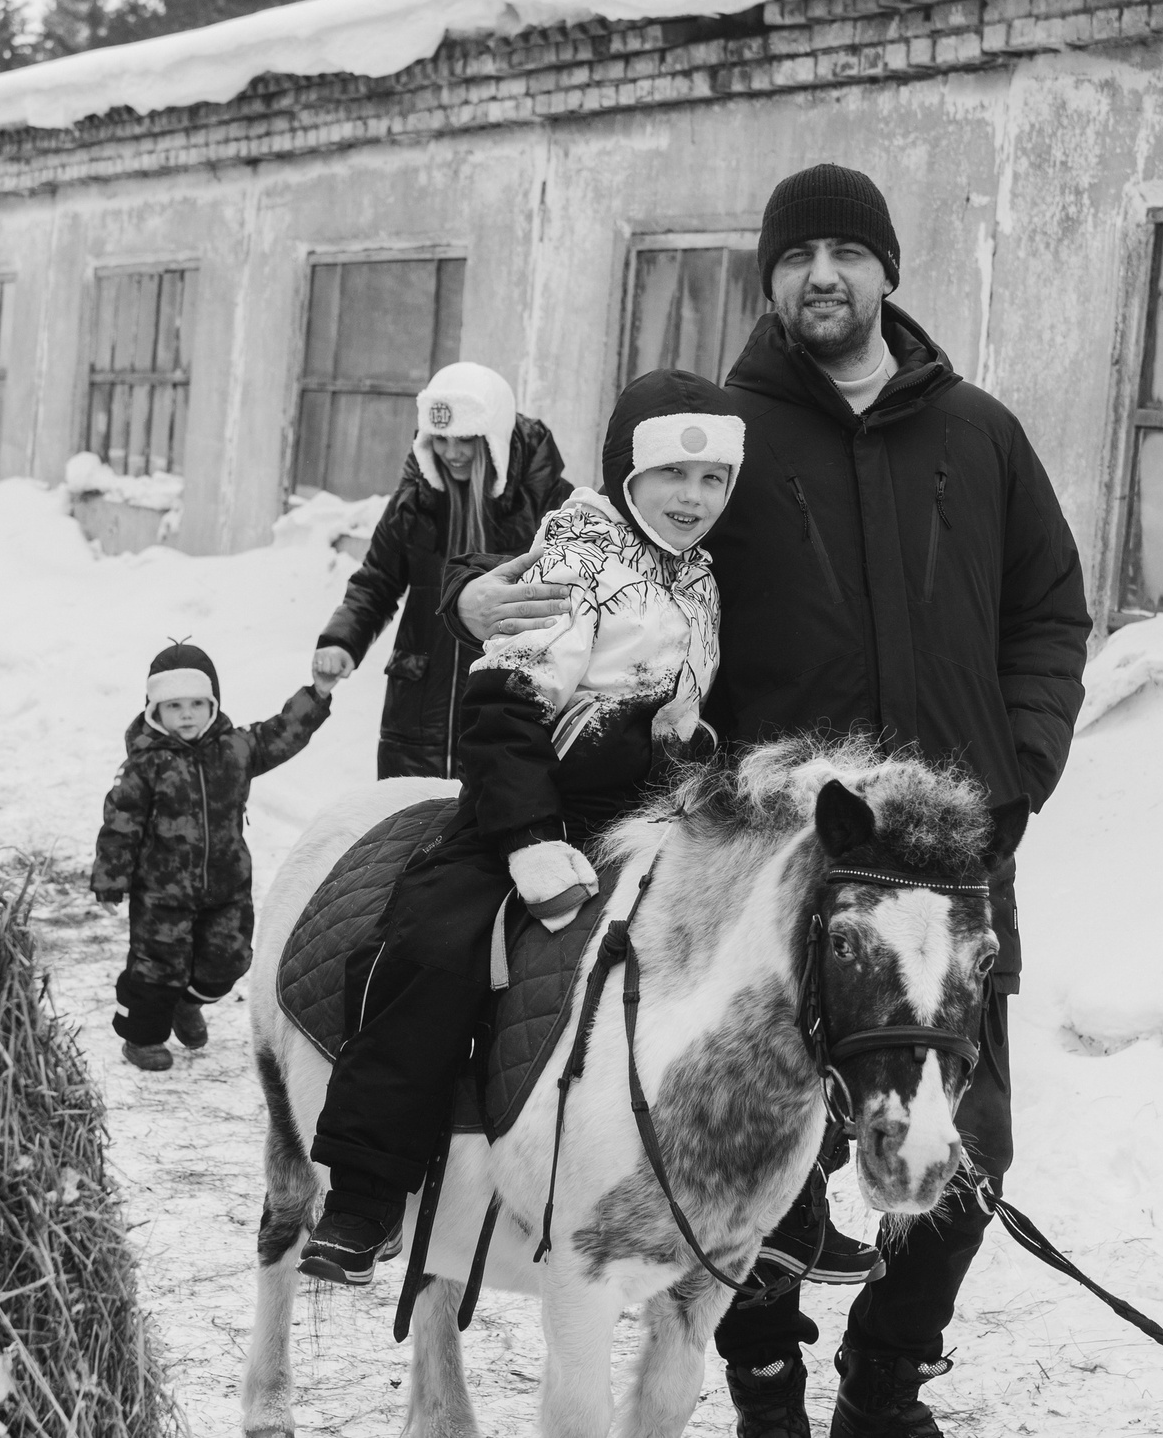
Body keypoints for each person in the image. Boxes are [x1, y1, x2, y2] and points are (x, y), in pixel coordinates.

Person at [447, 163, 1091, 1438]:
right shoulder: (725, 435)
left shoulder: (982, 434)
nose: (823, 276)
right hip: (769, 863)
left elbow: (1049, 611)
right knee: (747, 1150)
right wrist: (475, 586)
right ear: (771, 279)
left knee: (967, 1140)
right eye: (798, 258)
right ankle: (762, 1383)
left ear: (888, 271)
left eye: (848, 253)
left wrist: (1014, 774)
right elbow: (602, 549)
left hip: (944, 867)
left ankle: (888, 1379)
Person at [302, 370, 833, 1286]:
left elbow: (663, 700)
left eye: (712, 483)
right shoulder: (578, 557)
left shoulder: (698, 576)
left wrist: (685, 737)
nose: (694, 498)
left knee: (756, 957)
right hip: (530, 809)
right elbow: (505, 706)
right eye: (673, 475)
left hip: (645, 817)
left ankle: (776, 1202)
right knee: (437, 939)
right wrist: (523, 838)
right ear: (628, 472)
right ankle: (366, 1189)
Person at [312, 362, 573, 780]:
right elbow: (377, 581)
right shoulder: (415, 500)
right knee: (408, 830)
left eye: (467, 439)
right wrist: (343, 640)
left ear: (495, 438)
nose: (452, 453)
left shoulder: (546, 502)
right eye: (441, 439)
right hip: (418, 711)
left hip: (507, 708)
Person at [91, 641, 337, 1071]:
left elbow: (282, 732)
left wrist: (316, 693)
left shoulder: (236, 749)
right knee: (156, 970)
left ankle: (188, 1003)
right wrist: (112, 879)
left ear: (213, 704)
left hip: (226, 888)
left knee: (230, 960)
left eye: (196, 704)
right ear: (154, 710)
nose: (186, 714)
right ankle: (142, 1038)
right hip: (161, 896)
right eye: (174, 706)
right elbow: (120, 824)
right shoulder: (144, 766)